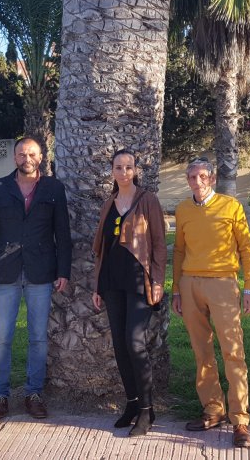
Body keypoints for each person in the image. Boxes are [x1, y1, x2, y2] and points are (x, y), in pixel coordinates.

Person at [0, 136, 71, 420]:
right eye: (21, 154)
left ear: (41, 157)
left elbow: (62, 234)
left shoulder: (54, 188)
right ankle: (0, 396)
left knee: (38, 338)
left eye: (31, 154)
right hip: (4, 271)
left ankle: (33, 393)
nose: (26, 158)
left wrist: (63, 271)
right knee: (2, 338)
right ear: (14, 157)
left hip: (41, 272)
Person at [172, 157, 250, 449]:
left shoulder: (231, 206)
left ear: (211, 178)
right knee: (201, 351)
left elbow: (246, 248)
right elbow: (179, 251)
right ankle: (213, 409)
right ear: (188, 180)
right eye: (192, 177)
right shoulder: (182, 209)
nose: (197, 181)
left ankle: (240, 420)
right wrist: (176, 290)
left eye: (202, 176)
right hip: (190, 283)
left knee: (233, 352)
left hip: (223, 284)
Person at [90, 149, 167, 436]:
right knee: (121, 346)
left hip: (139, 282)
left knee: (135, 343)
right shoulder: (109, 203)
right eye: (118, 167)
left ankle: (148, 411)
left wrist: (158, 281)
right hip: (112, 282)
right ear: (112, 171)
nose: (124, 172)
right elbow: (102, 249)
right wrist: (98, 286)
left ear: (135, 170)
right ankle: (132, 404)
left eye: (128, 167)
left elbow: (159, 244)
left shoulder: (147, 200)